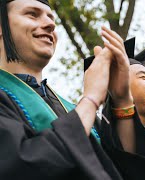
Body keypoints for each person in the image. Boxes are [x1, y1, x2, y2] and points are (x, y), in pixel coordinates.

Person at [0, 0, 136, 179]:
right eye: (32, 14)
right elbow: (21, 167)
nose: (50, 24)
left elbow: (127, 165)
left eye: (51, 18)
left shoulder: (68, 108)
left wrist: (122, 98)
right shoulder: (84, 109)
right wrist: (91, 99)